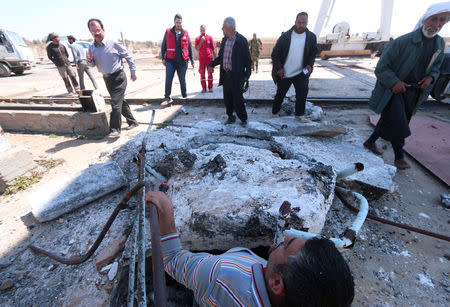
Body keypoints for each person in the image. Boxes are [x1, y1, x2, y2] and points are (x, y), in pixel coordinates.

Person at [145, 191, 355, 307]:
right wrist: (279, 254)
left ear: (276, 282)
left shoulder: (221, 275)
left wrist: (166, 210)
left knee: (181, 290)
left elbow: (170, 260)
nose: (287, 235)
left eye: (287, 245)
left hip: (208, 290)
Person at [363, 3, 450, 170]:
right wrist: (394, 82)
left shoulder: (439, 44)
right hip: (394, 91)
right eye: (434, 19)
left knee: (390, 120)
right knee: (399, 124)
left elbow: (436, 67)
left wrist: (431, 78)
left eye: (442, 20)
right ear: (425, 19)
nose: (437, 24)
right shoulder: (403, 42)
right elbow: (382, 68)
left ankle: (370, 141)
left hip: (414, 93)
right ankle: (399, 157)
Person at [86, 18, 139, 137]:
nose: (96, 33)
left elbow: (128, 57)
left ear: (103, 29)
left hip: (119, 77)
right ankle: (132, 121)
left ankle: (115, 129)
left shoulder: (113, 43)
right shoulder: (91, 47)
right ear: (91, 32)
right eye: (93, 31)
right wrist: (89, 61)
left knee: (115, 103)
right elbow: (92, 64)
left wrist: (133, 72)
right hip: (107, 79)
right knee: (120, 102)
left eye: (98, 30)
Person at [271, 12, 318, 122]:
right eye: (299, 22)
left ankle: (299, 115)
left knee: (302, 93)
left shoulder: (311, 37)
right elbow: (275, 54)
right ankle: (275, 112)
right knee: (280, 94)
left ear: (307, 23)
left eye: (303, 23)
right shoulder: (285, 36)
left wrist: (310, 65)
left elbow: (313, 53)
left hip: (301, 73)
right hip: (285, 72)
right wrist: (279, 68)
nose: (301, 25)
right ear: (295, 22)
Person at [209, 17, 252, 127]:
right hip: (226, 74)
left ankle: (243, 119)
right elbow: (221, 57)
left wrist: (247, 75)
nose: (222, 29)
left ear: (230, 27)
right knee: (227, 98)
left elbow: (248, 60)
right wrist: (212, 64)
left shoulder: (241, 40)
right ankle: (231, 117)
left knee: (238, 99)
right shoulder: (224, 40)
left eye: (223, 27)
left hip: (237, 76)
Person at [161, 14, 195, 103]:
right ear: (174, 22)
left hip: (183, 61)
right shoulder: (168, 32)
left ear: (182, 22)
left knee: (182, 80)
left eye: (180, 22)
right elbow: (163, 45)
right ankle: (167, 97)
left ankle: (184, 96)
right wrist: (163, 58)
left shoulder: (186, 33)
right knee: (168, 79)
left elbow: (189, 47)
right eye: (177, 22)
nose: (178, 24)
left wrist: (192, 60)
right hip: (170, 61)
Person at [195, 25, 216, 93]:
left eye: (203, 30)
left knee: (210, 73)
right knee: (202, 73)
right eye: (201, 30)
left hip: (209, 58)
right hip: (201, 59)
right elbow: (197, 48)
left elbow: (213, 49)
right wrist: (201, 41)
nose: (202, 31)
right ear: (200, 30)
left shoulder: (210, 37)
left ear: (206, 30)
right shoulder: (197, 38)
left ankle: (210, 88)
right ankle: (204, 88)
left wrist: (215, 59)